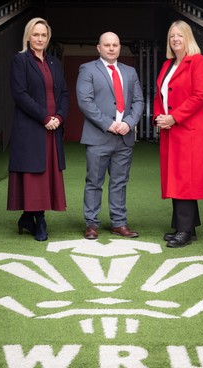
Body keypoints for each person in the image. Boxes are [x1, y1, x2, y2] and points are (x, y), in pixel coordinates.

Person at [153, 20, 203, 248]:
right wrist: (159, 117)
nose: (175, 39)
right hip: (172, 130)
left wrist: (173, 117)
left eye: (179, 35)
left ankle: (185, 231)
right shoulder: (168, 64)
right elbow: (159, 95)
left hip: (191, 130)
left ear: (188, 37)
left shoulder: (199, 62)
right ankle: (186, 226)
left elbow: (199, 96)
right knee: (177, 177)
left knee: (185, 179)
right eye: (172, 36)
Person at [76, 31, 144, 239]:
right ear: (99, 48)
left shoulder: (130, 71)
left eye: (115, 45)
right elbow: (85, 102)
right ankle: (91, 224)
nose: (111, 48)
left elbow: (139, 101)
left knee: (120, 182)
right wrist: (109, 124)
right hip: (98, 137)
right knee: (94, 182)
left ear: (119, 47)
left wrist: (128, 123)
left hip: (124, 137)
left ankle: (119, 223)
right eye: (107, 45)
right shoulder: (87, 69)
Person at [7, 17, 69, 241]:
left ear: (48, 37)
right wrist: (45, 117)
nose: (40, 38)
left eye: (43, 35)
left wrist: (59, 117)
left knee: (47, 175)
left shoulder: (54, 63)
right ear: (28, 37)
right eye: (36, 34)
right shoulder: (20, 60)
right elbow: (20, 94)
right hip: (32, 128)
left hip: (53, 129)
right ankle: (37, 219)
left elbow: (63, 94)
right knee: (34, 175)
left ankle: (30, 217)